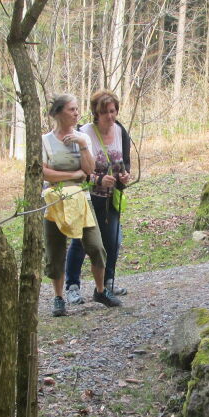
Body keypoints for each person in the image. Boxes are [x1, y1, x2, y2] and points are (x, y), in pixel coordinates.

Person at [41, 93, 121, 317]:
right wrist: (72, 173)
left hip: (81, 199)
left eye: (77, 109)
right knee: (55, 250)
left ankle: (100, 291)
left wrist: (83, 145)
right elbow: (43, 172)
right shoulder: (46, 141)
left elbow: (89, 170)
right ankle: (58, 298)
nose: (76, 113)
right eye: (71, 110)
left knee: (96, 246)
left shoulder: (81, 137)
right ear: (58, 113)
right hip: (54, 200)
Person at [64, 90, 132, 305]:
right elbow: (78, 170)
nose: (110, 116)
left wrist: (124, 176)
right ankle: (72, 286)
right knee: (83, 241)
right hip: (88, 196)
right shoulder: (84, 133)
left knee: (112, 240)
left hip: (111, 196)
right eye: (105, 112)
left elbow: (125, 161)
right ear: (96, 113)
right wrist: (98, 179)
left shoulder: (121, 131)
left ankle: (107, 284)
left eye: (113, 111)